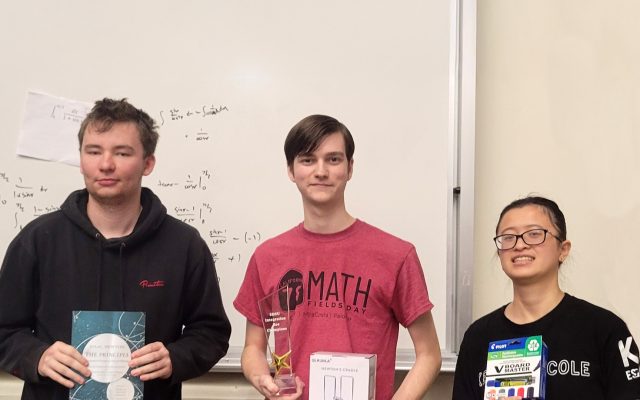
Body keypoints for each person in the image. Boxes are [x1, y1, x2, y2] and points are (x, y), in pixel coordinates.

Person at [0, 98, 231, 399]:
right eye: (93, 151)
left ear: (148, 163)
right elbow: (4, 330)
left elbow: (211, 334)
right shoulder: (38, 239)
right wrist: (37, 356)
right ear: (81, 158)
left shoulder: (185, 245)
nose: (106, 164)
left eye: (122, 153)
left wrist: (175, 358)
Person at [233, 114, 442, 400]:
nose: (321, 171)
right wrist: (262, 379)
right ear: (291, 171)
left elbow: (429, 354)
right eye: (307, 160)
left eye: (333, 159)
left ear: (350, 167)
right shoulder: (268, 257)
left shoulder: (395, 255)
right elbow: (253, 348)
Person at [452, 196, 640, 399]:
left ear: (563, 249)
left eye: (534, 234)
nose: (519, 245)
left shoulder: (606, 329)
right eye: (508, 237)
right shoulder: (478, 337)